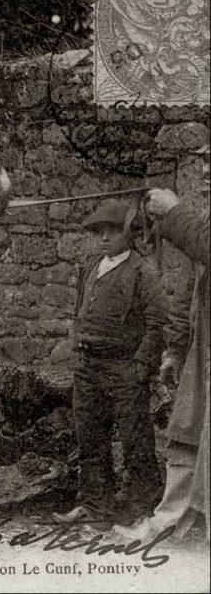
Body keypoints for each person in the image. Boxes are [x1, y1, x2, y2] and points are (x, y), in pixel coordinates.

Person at [53, 200, 168, 528]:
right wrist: (78, 349)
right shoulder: (91, 266)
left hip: (124, 369)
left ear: (128, 234)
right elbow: (80, 308)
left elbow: (158, 320)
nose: (104, 239)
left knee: (136, 441)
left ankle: (142, 509)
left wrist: (142, 365)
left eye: (112, 232)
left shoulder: (142, 271)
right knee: (90, 438)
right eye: (98, 232)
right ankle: (95, 507)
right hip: (88, 367)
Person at [115, 157, 210, 543]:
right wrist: (175, 348)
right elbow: (189, 285)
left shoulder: (193, 220)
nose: (204, 172)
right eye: (204, 162)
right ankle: (174, 520)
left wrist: (172, 214)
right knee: (186, 431)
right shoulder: (204, 216)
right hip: (202, 345)